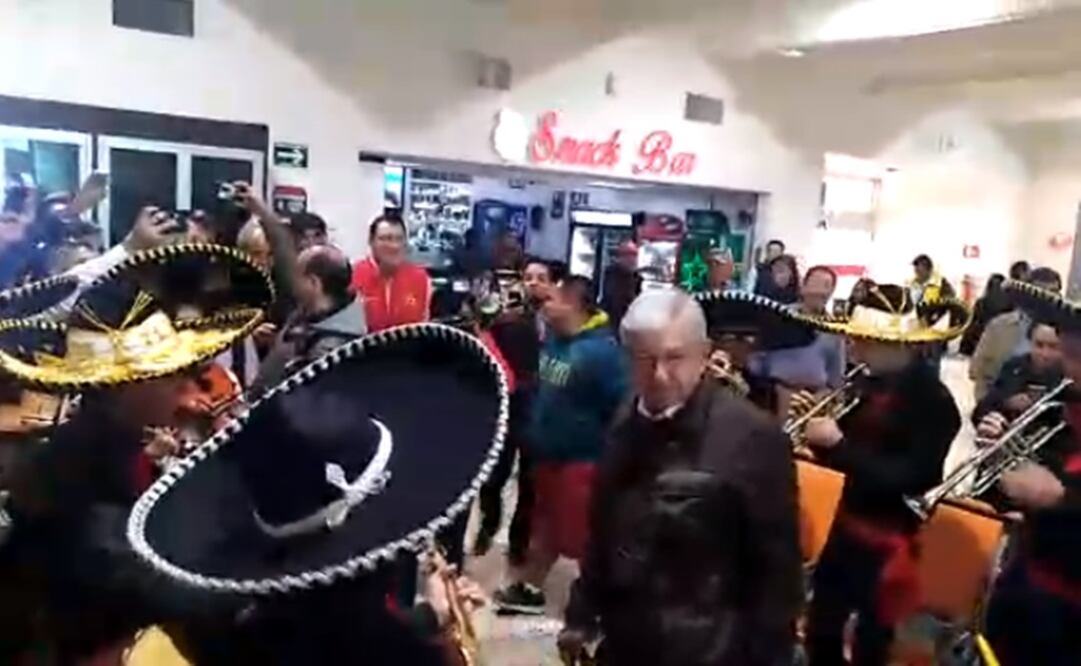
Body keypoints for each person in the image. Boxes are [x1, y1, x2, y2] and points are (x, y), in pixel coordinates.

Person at [122, 324, 504, 665]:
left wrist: (426, 617)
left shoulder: (211, 630)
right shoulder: (399, 652)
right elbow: (361, 637)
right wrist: (440, 632)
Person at [0, 245, 274, 663]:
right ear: (124, 386)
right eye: (169, 376)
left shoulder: (98, 441)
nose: (185, 388)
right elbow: (161, 588)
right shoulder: (82, 474)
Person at [557, 290, 801, 666]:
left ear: (703, 354)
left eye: (674, 358)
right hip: (627, 641)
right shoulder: (624, 420)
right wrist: (582, 613)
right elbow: (604, 531)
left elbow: (777, 570)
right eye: (644, 359)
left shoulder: (753, 437)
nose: (659, 375)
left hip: (713, 649)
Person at [800, 283, 966, 666]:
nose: (855, 349)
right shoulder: (868, 383)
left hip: (887, 541)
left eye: (866, 342)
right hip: (842, 528)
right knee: (821, 630)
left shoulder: (935, 402)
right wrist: (819, 440)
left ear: (900, 345)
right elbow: (849, 456)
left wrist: (838, 446)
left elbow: (912, 478)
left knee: (871, 644)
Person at [494, 275, 629, 615]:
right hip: (548, 455)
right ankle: (530, 588)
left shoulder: (604, 354)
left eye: (552, 298)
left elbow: (622, 407)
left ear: (573, 303)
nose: (544, 303)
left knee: (584, 537)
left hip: (582, 460)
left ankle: (601, 606)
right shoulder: (554, 340)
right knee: (546, 526)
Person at [976, 280, 1081, 664]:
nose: (1067, 369)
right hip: (1026, 593)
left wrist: (1063, 500)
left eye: (1075, 355)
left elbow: (1058, 491)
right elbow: (1033, 478)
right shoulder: (1063, 402)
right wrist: (1002, 453)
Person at [474, 257, 554, 559]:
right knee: (495, 473)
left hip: (539, 407)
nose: (533, 282)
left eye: (540, 277)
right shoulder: (505, 318)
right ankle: (487, 526)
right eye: (529, 277)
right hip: (510, 403)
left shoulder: (557, 322)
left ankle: (520, 542)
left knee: (530, 480)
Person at [252, 244, 367, 395]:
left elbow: (300, 403)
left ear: (314, 283)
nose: (292, 281)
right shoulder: (306, 312)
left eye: (297, 275)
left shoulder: (330, 349)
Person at [749, 266, 846, 408]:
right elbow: (757, 357)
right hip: (774, 394)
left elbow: (836, 377)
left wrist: (828, 397)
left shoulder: (833, 331)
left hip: (813, 400)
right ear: (803, 287)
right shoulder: (779, 315)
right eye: (816, 285)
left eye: (827, 287)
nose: (821, 292)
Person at [971, 267, 1063, 401]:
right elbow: (978, 370)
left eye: (1053, 292)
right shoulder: (1000, 326)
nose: (1047, 298)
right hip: (1001, 410)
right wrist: (990, 405)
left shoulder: (1070, 330)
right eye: (1040, 292)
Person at [352, 212, 432, 332]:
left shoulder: (421, 279)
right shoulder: (353, 276)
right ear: (371, 241)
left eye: (399, 239)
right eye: (386, 239)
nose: (394, 246)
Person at [972, 321, 1063, 425]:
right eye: (1039, 345)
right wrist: (1007, 403)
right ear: (1030, 343)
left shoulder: (1072, 376)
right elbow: (981, 410)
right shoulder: (1014, 367)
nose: (1045, 354)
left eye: (1054, 347)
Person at [959, 273, 1010, 357]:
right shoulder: (1010, 304)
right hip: (1002, 343)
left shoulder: (981, 302)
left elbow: (973, 324)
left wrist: (964, 347)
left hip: (981, 342)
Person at [600, 239, 641, 332]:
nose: (632, 259)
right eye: (629, 254)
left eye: (635, 254)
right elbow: (615, 303)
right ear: (620, 257)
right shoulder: (613, 276)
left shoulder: (636, 278)